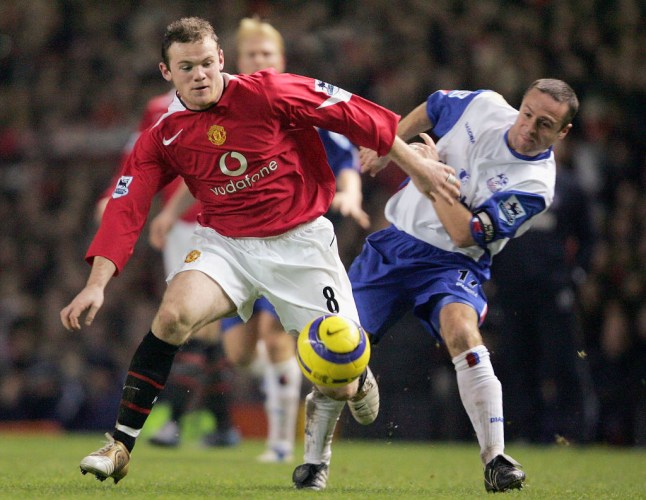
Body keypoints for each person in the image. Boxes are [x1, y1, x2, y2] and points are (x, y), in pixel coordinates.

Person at [59, 16, 458, 489]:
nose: (200, 75)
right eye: (187, 67)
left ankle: (357, 377)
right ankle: (120, 445)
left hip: (301, 244)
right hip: (225, 245)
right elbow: (127, 208)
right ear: (166, 72)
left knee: (339, 381)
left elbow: (353, 112)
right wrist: (96, 284)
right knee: (171, 317)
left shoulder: (268, 92)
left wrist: (419, 170)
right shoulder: (163, 135)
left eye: (207, 63)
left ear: (222, 59)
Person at [147, 17, 371, 463]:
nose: (259, 62)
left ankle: (285, 444)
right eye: (253, 55)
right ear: (235, 60)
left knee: (276, 336)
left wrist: (351, 191)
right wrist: (170, 213)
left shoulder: (285, 99)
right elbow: (203, 174)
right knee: (240, 353)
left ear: (280, 62)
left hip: (293, 242)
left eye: (267, 56)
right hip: (240, 245)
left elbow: (344, 150)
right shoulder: (218, 110)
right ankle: (305, 380)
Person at [354, 79, 578, 492]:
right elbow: (434, 107)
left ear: (562, 133)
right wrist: (393, 146)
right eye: (527, 113)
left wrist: (424, 173)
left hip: (455, 262)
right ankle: (317, 460)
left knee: (461, 329)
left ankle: (496, 458)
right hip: (396, 243)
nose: (528, 128)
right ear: (520, 103)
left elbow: (463, 233)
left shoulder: (534, 188)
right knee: (342, 350)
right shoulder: (486, 105)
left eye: (545, 125)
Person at [96, 92, 241, 449]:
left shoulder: (231, 98)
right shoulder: (158, 108)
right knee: (199, 326)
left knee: (197, 325)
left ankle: (180, 420)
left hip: (226, 216)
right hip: (181, 225)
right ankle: (218, 423)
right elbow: (137, 161)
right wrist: (114, 195)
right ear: (168, 68)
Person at [490, 153, 598, 444]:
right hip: (512, 292)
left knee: (563, 362)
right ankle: (528, 432)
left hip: (552, 291)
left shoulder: (568, 186)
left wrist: (576, 276)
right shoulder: (506, 183)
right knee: (517, 363)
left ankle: (575, 433)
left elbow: (588, 236)